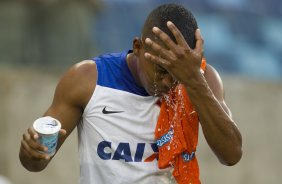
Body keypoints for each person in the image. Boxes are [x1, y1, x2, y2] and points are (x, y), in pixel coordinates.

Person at [19, 3, 242, 184]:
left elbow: (231, 155)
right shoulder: (88, 79)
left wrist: (193, 81)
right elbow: (35, 163)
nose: (168, 83)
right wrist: (32, 151)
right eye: (162, 70)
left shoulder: (201, 80)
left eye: (177, 75)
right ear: (137, 47)